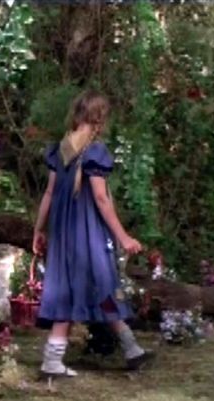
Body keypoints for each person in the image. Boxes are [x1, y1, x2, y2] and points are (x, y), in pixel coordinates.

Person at [33, 90, 150, 377]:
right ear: (99, 119)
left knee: (74, 288)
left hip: (63, 234)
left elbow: (48, 193)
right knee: (103, 284)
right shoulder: (94, 152)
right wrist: (123, 236)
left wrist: (39, 229)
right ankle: (53, 361)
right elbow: (100, 198)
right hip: (87, 232)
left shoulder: (60, 150)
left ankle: (132, 350)